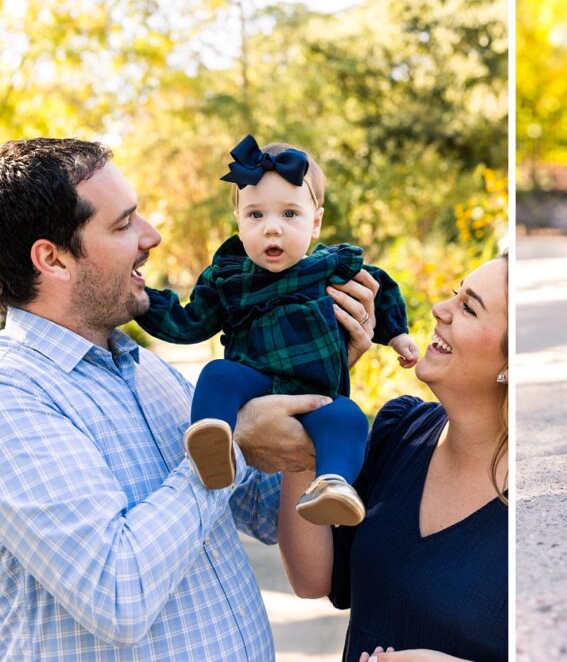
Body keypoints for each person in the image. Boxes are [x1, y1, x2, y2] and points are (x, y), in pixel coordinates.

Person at [0, 137, 377, 659]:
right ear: (54, 259)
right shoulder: (15, 397)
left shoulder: (148, 372)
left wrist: (309, 383)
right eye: (124, 224)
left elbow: (274, 515)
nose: (151, 236)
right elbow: (117, 594)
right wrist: (230, 449)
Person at [136, 135, 418, 527]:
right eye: (256, 215)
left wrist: (398, 334)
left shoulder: (330, 266)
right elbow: (190, 322)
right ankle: (211, 440)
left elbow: (381, 287)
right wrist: (143, 299)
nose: (272, 229)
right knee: (218, 375)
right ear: (237, 220)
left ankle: (332, 483)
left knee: (348, 417)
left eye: (289, 214)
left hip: (316, 391)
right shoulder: (229, 277)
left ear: (315, 222)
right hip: (253, 379)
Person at [277, 255, 509, 662]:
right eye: (456, 295)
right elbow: (313, 579)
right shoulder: (398, 431)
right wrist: (319, 384)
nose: (440, 309)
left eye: (469, 307)